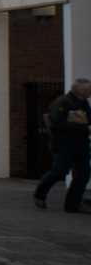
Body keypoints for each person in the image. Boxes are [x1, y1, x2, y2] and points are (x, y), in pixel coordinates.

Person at [33, 77, 91, 212]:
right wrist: (83, 127)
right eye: (89, 90)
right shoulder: (62, 102)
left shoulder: (84, 103)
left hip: (81, 144)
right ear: (80, 91)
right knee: (59, 172)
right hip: (64, 145)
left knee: (83, 174)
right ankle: (40, 193)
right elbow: (57, 124)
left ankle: (73, 204)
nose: (90, 93)